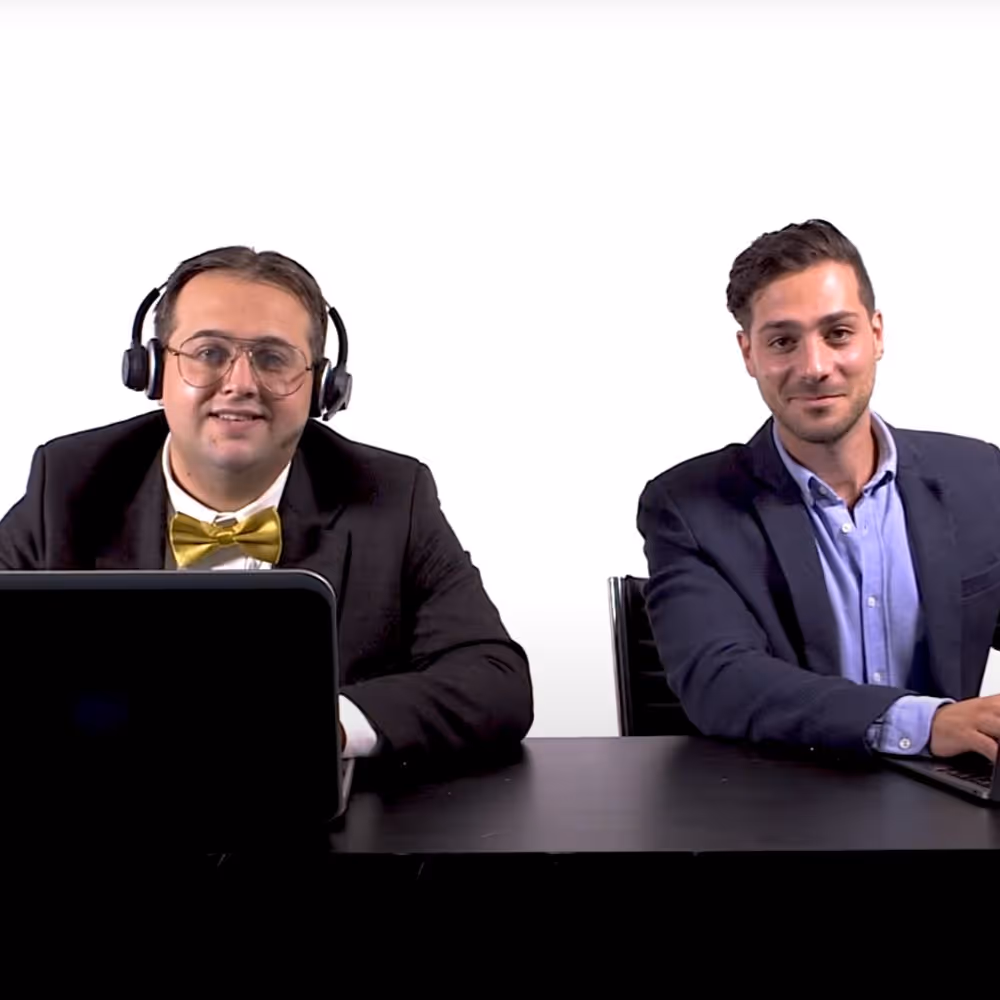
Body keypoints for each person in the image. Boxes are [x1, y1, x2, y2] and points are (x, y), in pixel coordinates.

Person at [0, 247, 532, 760]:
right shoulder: (70, 480)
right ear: (153, 371)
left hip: (316, 835)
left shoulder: (391, 494)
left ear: (323, 386)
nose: (240, 383)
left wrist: (333, 726)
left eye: (273, 359)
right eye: (209, 353)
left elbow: (494, 680)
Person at [638, 220, 1000, 760]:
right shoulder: (688, 507)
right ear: (748, 354)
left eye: (838, 333)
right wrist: (925, 724)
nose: (814, 367)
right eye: (783, 341)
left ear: (876, 335)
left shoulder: (978, 475)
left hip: (954, 813)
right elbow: (720, 681)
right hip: (782, 819)